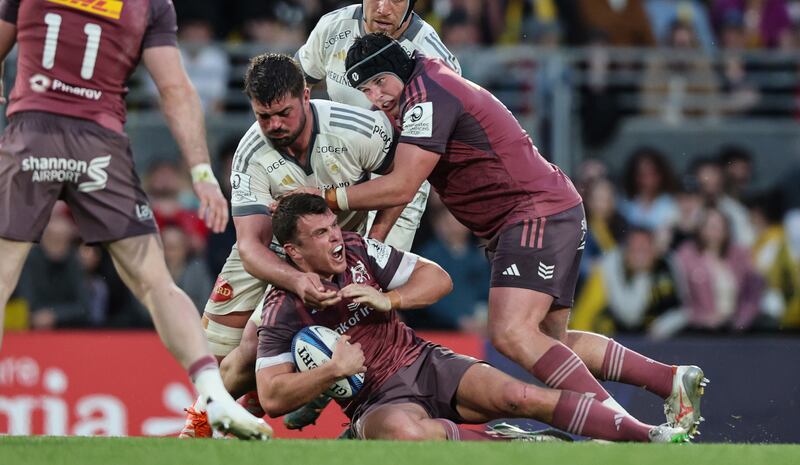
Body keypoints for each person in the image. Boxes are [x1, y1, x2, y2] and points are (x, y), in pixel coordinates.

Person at [294, 32, 708, 436]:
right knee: (548, 341)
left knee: (511, 333)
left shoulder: (427, 95)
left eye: (378, 83)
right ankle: (669, 379)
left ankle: (618, 426)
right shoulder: (421, 89)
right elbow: (411, 181)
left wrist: (327, 197)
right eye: (366, 90)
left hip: (529, 215)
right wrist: (378, 237)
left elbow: (401, 185)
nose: (375, 97)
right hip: (545, 211)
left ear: (399, 69)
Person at [0, 0, 269, 439]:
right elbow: (176, 89)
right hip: (99, 146)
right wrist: (201, 174)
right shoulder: (148, 5)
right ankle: (214, 397)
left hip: (33, 133)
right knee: (156, 282)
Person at [255, 193, 691, 443]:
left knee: (523, 396)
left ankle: (648, 437)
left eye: (333, 226)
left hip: (426, 362)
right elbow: (272, 397)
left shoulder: (357, 250)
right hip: (376, 402)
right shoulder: (280, 309)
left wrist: (392, 299)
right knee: (406, 434)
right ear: (293, 251)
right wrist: (333, 371)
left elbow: (437, 279)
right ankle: (511, 444)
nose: (335, 239)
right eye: (320, 234)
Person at [179, 52, 404, 437]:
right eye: (263, 116)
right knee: (215, 354)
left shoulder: (360, 130)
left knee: (252, 345)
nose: (274, 125)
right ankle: (249, 404)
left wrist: (370, 247)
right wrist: (296, 281)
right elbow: (250, 246)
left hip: (335, 246)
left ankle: (197, 430)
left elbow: (403, 186)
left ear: (305, 94)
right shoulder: (250, 153)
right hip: (272, 248)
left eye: (283, 113)